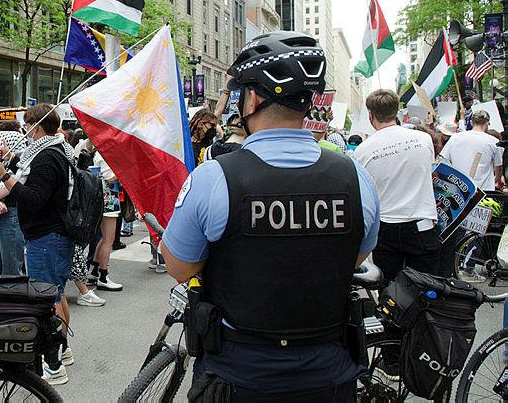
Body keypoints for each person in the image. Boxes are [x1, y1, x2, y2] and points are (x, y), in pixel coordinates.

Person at [162, 31, 380, 401]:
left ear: (254, 97)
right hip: (328, 373)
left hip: (238, 374)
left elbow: (179, 267)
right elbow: (354, 255)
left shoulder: (215, 177)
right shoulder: (355, 177)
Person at [0, 104, 74, 385]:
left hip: (47, 238)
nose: (25, 131)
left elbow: (33, 198)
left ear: (37, 128)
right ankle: (62, 348)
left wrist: (4, 175)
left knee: (46, 299)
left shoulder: (47, 158)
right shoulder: (53, 151)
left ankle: (53, 363)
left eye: (27, 126)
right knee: (56, 294)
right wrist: (8, 162)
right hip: (53, 236)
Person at [353, 89, 438, 285]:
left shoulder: (363, 150)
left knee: (389, 290)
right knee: (427, 288)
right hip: (422, 223)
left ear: (370, 115)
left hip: (386, 228)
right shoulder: (423, 139)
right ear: (396, 110)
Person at [0, 130, 26, 277]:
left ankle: (12, 297)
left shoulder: (20, 168)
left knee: (11, 265)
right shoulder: (2, 164)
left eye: (3, 143)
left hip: (12, 217)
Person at [86, 150, 123, 292]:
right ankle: (103, 276)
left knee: (104, 238)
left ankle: (94, 272)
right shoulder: (105, 154)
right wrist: (124, 172)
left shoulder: (99, 153)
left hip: (104, 198)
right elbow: (110, 178)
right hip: (108, 199)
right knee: (109, 240)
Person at [440, 110, 503, 191]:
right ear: (487, 123)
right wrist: (497, 179)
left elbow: (443, 159)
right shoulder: (494, 141)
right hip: (483, 190)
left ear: (471, 122)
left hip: (459, 189)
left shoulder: (455, 138)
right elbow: (498, 167)